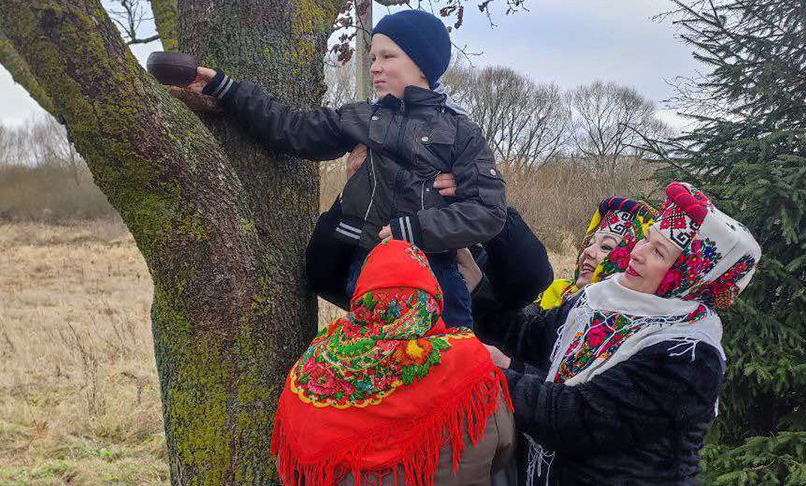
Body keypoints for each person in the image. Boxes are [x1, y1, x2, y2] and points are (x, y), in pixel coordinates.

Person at [184, 10, 507, 327]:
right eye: (373, 58)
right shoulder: (361, 117)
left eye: (387, 56)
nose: (376, 68)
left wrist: (413, 231)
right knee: (373, 373)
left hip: (437, 278)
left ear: (422, 64)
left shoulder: (461, 132)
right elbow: (293, 128)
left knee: (444, 372)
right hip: (367, 273)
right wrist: (227, 89)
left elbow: (488, 212)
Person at [471, 181, 761, 485]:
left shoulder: (688, 354)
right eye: (647, 239)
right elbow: (528, 338)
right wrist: (474, 288)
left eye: (658, 252)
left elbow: (578, 417)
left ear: (689, 277)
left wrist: (497, 372)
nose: (637, 253)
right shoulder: (601, 300)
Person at [272, 240, 514, 486]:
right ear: (431, 300)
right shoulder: (470, 363)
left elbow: (289, 467)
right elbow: (504, 447)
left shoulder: (312, 369)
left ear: (362, 300)